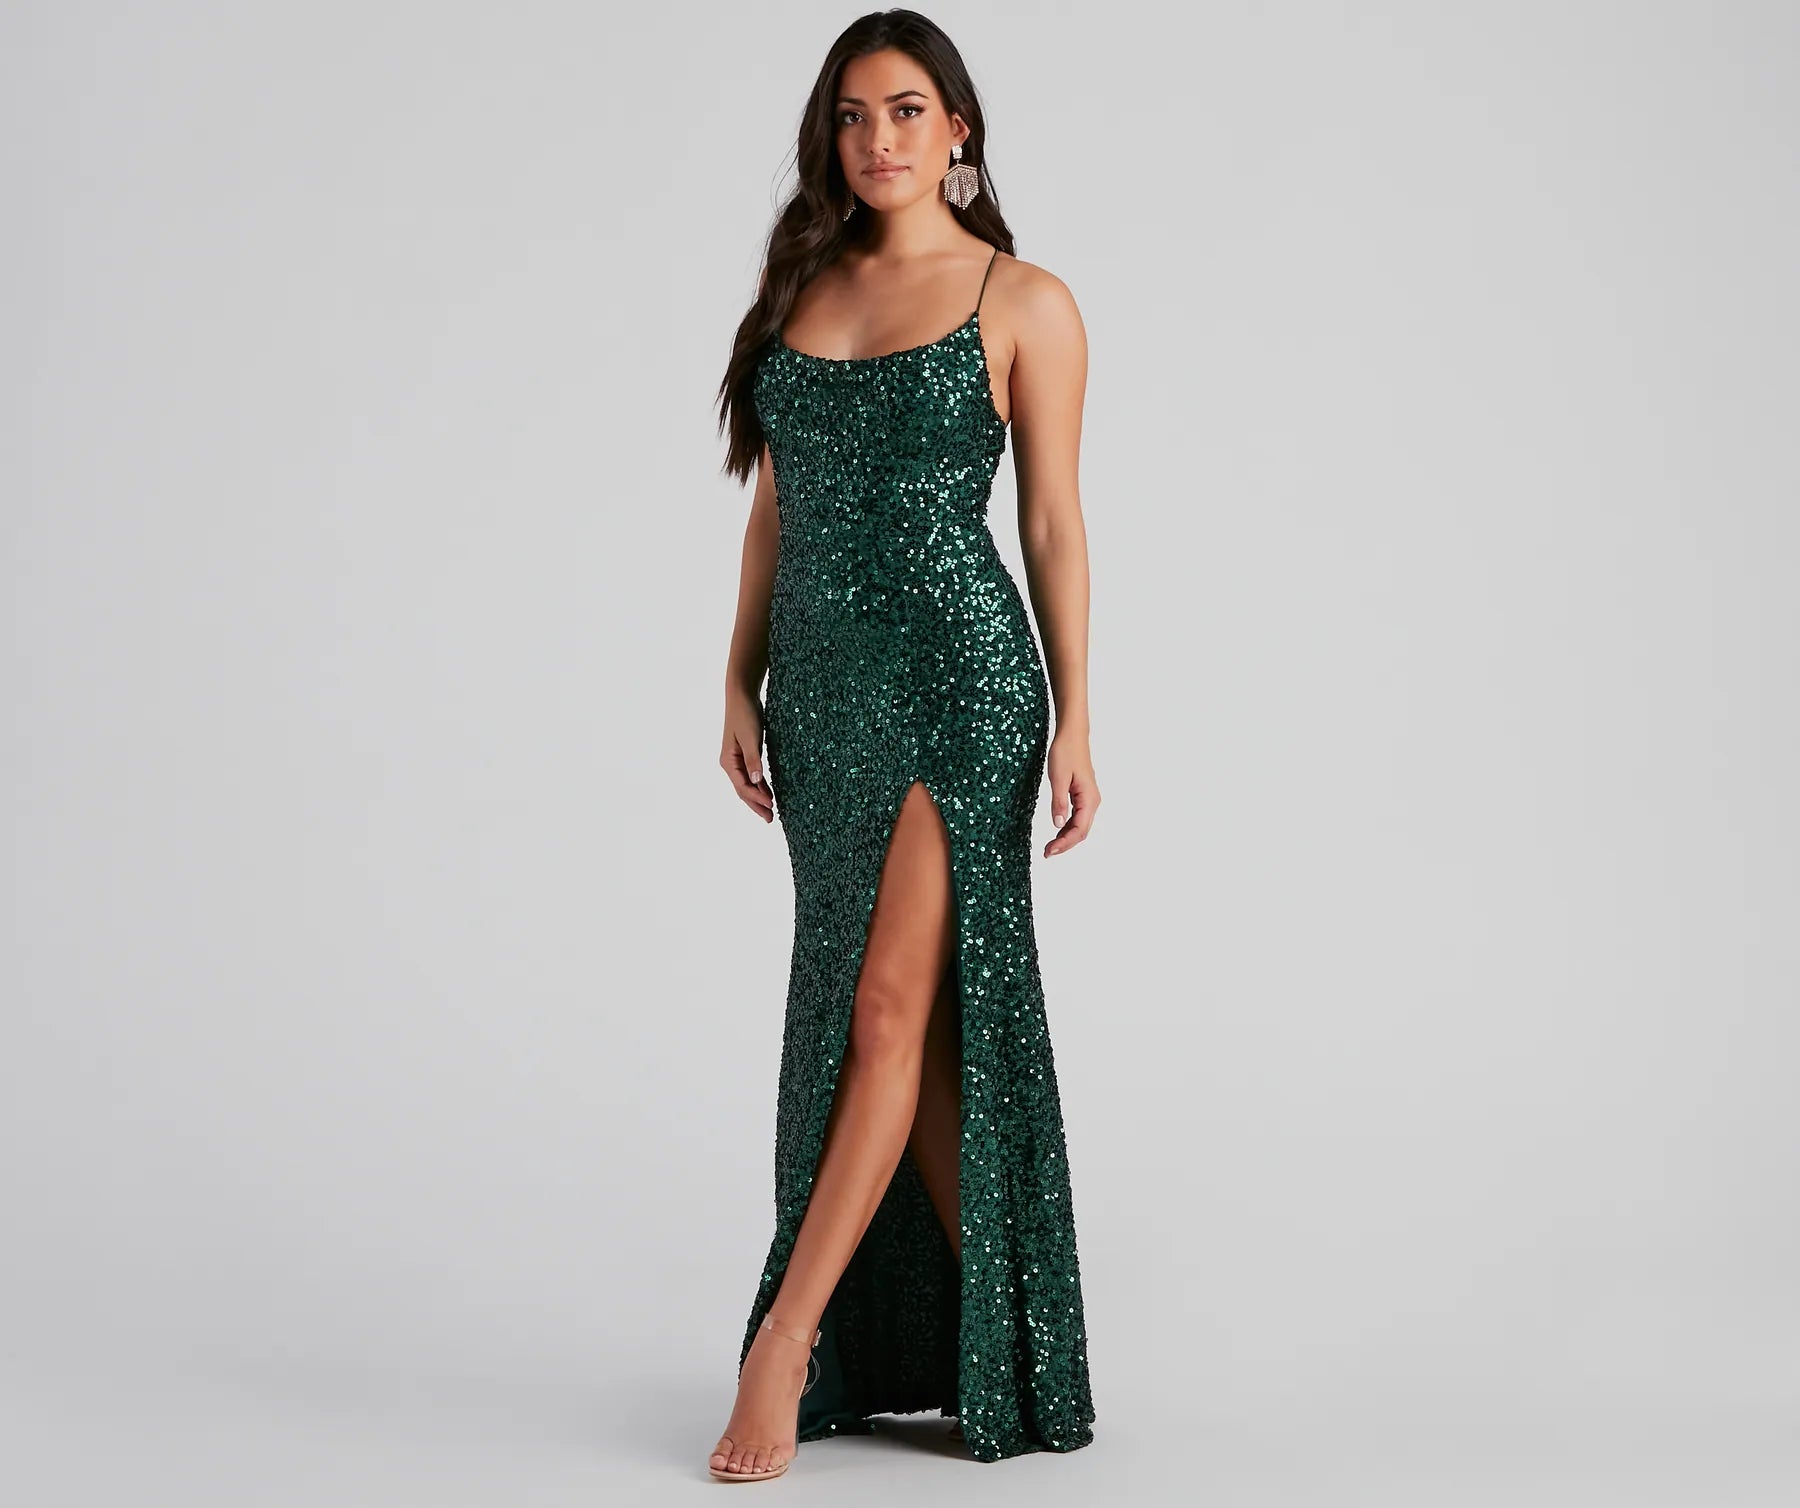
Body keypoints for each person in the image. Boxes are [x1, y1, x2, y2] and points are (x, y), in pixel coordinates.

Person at [708, 8, 1099, 1481]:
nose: (880, 138)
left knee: (886, 1009)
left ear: (960, 131)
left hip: (959, 688)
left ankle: (786, 1340)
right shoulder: (799, 291)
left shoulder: (1023, 300)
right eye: (855, 115)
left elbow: (1052, 522)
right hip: (821, 696)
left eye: (909, 110)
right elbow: (775, 506)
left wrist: (1077, 712)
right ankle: (1015, 1346)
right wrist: (737, 676)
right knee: (908, 1036)